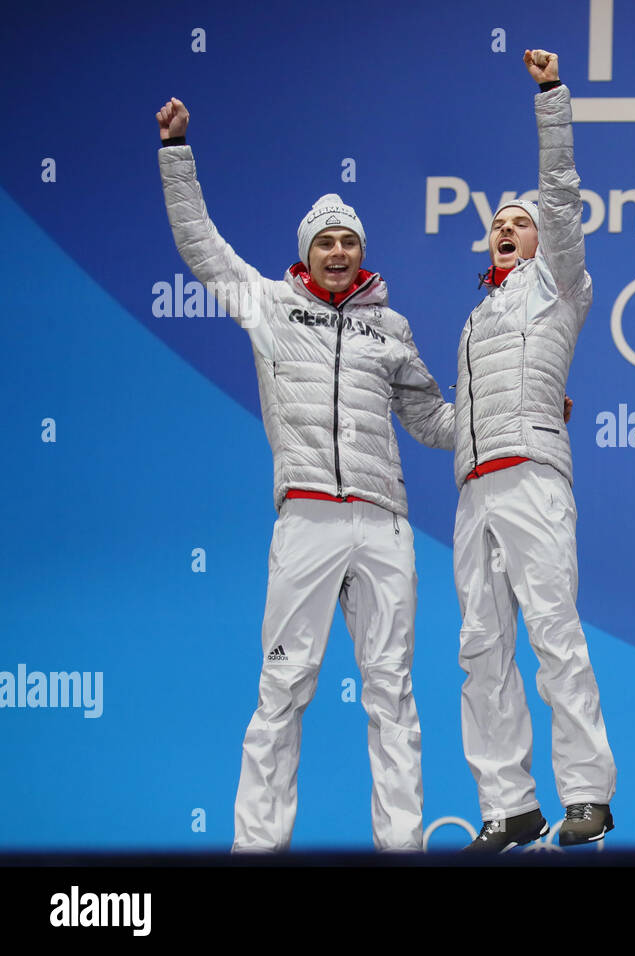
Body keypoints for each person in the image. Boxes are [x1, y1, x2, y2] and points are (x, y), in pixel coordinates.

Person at [155, 98, 454, 851]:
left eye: (350, 240)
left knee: (392, 692)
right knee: (283, 688)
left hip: (385, 523)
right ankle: (257, 847)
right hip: (308, 520)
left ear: (363, 251)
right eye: (327, 241)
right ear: (306, 252)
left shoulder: (392, 327)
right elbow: (202, 247)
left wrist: (514, 417)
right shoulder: (269, 306)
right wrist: (177, 150)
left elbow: (433, 422)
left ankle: (402, 844)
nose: (340, 251)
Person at [450, 50, 617, 853]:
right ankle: (509, 804)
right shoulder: (475, 318)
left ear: (548, 240)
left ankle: (587, 793)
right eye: (498, 222)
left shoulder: (560, 284)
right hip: (472, 490)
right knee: (481, 647)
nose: (508, 228)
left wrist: (551, 98)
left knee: (553, 631)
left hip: (534, 477)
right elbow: (452, 415)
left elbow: (559, 188)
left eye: (521, 222)